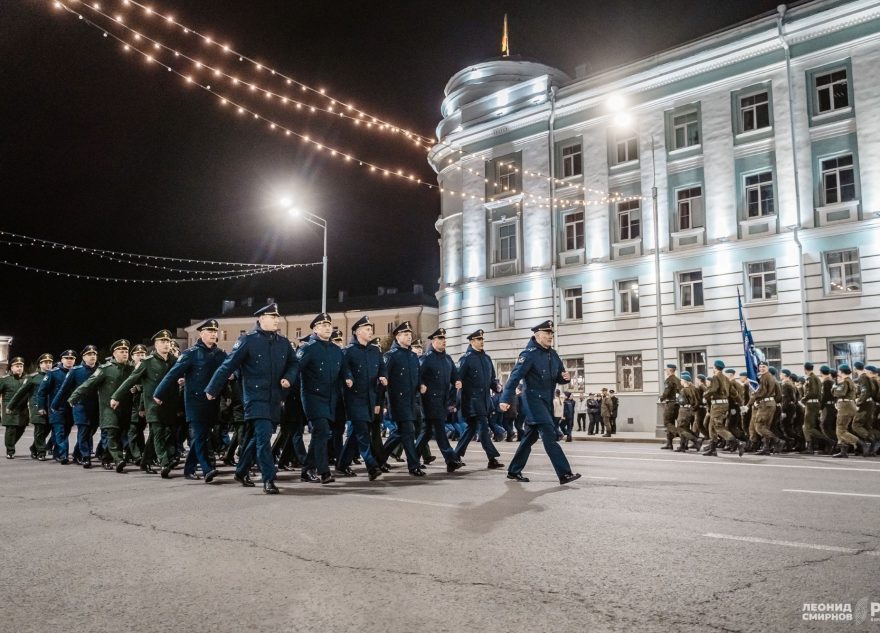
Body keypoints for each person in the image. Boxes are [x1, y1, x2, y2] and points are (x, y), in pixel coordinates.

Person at [205, 303, 298, 494]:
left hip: (274, 398)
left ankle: (241, 470)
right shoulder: (247, 340)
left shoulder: (283, 342)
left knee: (258, 437)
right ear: (262, 318)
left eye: (277, 317)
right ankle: (269, 479)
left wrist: (289, 377)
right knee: (264, 438)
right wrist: (213, 388)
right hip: (255, 397)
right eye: (273, 317)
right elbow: (227, 366)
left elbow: (294, 363)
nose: (276, 320)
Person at [499, 320, 581, 485]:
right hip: (532, 401)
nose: (550, 336)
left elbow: (558, 376)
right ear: (537, 335)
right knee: (549, 434)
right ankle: (564, 473)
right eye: (547, 334)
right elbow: (514, 377)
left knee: (529, 437)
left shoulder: (553, 354)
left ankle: (514, 471)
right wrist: (505, 398)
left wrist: (565, 378)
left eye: (551, 333)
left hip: (546, 402)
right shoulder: (528, 354)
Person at [154, 319, 227, 483]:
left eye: (215, 332)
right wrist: (159, 393)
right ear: (201, 334)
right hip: (195, 402)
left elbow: (228, 372)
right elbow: (172, 374)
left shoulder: (220, 354)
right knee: (200, 435)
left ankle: (189, 468)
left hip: (212, 402)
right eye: (210, 332)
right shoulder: (191, 353)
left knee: (204, 435)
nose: (214, 334)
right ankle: (207, 469)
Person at [111, 330, 179, 478]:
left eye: (168, 342)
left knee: (162, 433)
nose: (166, 344)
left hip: (170, 405)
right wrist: (116, 396)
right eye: (162, 342)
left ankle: (145, 461)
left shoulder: (175, 361)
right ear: (155, 344)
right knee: (159, 432)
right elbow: (131, 380)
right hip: (153, 406)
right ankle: (164, 462)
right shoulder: (147, 363)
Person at [296, 313, 351, 484]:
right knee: (323, 431)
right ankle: (324, 471)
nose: (328, 328)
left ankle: (306, 469)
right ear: (315, 329)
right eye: (323, 325)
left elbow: (344, 368)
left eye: (329, 325)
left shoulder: (336, 350)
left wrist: (348, 377)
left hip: (330, 398)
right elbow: (294, 368)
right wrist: (284, 384)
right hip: (312, 397)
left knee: (320, 434)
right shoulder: (308, 348)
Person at [69, 339, 134, 473]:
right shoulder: (105, 369)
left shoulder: (131, 369)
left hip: (126, 408)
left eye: (126, 351)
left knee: (121, 434)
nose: (124, 354)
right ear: (114, 353)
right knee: (111, 433)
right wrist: (74, 397)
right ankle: (118, 459)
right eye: (121, 351)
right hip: (108, 408)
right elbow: (88, 384)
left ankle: (106, 458)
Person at [336, 315, 385, 480]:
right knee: (363, 433)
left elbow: (382, 368)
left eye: (371, 329)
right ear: (357, 332)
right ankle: (372, 466)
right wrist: (348, 377)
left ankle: (342, 464)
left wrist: (383, 377)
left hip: (370, 398)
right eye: (367, 329)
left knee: (357, 433)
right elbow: (343, 369)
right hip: (354, 398)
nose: (370, 332)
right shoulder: (348, 351)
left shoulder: (375, 351)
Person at [416, 327, 463, 473]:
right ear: (434, 341)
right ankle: (451, 459)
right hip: (429, 400)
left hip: (442, 401)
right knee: (440, 430)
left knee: (427, 432)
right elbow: (418, 375)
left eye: (444, 339)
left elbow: (455, 375)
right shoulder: (427, 358)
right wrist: (421, 384)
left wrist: (458, 381)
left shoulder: (448, 359)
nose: (444, 342)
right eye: (441, 339)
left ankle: (413, 457)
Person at [454, 329, 504, 469]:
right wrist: (455, 401)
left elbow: (492, 378)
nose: (482, 342)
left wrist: (496, 386)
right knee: (483, 428)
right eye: (478, 339)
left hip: (485, 401)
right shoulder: (466, 359)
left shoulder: (487, 358)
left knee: (471, 429)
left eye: (482, 339)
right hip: (472, 401)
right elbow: (458, 380)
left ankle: (454, 456)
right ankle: (492, 458)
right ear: (471, 341)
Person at [381, 321, 425, 476]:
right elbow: (384, 379)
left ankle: (379, 458)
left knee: (400, 432)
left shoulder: (413, 356)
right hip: (398, 400)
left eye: (410, 334)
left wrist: (421, 385)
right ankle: (413, 466)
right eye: (405, 334)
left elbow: (417, 376)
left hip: (411, 400)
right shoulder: (390, 356)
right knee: (408, 431)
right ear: (397, 336)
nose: (409, 336)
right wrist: (383, 402)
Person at [53, 345, 100, 467]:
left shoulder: (100, 369)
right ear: (84, 357)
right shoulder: (76, 370)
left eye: (94, 354)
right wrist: (55, 404)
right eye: (89, 354)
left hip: (96, 407)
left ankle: (77, 452)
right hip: (80, 406)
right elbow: (64, 389)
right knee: (83, 430)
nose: (92, 357)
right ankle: (85, 456)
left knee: (91, 430)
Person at [8, 353, 54, 460]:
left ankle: (34, 448)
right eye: (45, 363)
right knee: (40, 429)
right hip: (36, 407)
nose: (48, 365)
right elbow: (20, 393)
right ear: (40, 364)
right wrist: (10, 406)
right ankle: (41, 452)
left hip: (50, 407)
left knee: (46, 430)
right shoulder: (33, 378)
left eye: (50, 362)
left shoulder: (53, 376)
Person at [37, 350, 77, 463]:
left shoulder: (76, 372)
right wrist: (41, 407)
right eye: (67, 358)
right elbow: (42, 392)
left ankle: (56, 452)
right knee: (60, 431)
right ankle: (63, 455)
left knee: (65, 431)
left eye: (72, 358)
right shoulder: (53, 373)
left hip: (71, 408)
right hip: (56, 408)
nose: (69, 360)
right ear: (62, 360)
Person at [703, 360, 744, 457]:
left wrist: (705, 395)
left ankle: (737, 443)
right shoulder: (726, 379)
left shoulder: (715, 377)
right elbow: (734, 393)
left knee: (718, 427)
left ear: (714, 367)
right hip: (724, 405)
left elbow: (713, 389)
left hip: (717, 405)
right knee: (712, 426)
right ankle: (713, 449)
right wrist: (741, 403)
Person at [831, 364, 869, 458]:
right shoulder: (849, 381)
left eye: (839, 371)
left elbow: (841, 393)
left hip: (845, 406)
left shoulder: (845, 381)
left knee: (841, 429)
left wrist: (834, 388)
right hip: (847, 406)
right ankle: (843, 450)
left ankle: (861, 444)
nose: (838, 373)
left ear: (841, 372)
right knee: (841, 428)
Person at [0, 357, 27, 458]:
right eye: (17, 366)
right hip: (9, 409)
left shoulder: (27, 379)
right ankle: (10, 450)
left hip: (23, 410)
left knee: (21, 428)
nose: (19, 368)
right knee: (11, 430)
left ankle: (11, 444)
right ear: (11, 368)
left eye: (21, 366)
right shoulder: (5, 380)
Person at [674, 372, 703, 452]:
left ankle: (696, 440)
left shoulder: (684, 390)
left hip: (683, 411)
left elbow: (681, 401)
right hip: (690, 410)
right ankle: (683, 446)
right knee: (685, 428)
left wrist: (677, 398)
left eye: (681, 380)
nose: (680, 382)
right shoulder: (693, 389)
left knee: (680, 428)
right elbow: (697, 401)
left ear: (685, 381)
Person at [659, 364, 680, 450]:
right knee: (671, 423)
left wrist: (661, 398)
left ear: (670, 370)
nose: (666, 371)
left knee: (667, 422)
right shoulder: (678, 380)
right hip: (677, 404)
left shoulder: (669, 380)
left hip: (670, 403)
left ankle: (679, 433)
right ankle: (669, 444)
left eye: (667, 370)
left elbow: (667, 392)